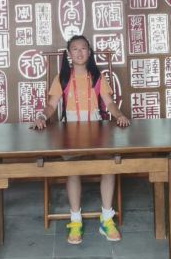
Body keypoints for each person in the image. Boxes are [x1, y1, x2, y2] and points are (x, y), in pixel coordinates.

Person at [33, 35, 131, 245]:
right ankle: (75, 220)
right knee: (73, 170)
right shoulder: (62, 78)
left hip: (97, 131)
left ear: (89, 52)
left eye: (83, 48)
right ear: (69, 54)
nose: (79, 52)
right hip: (70, 133)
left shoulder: (97, 77)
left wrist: (119, 115)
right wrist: (42, 116)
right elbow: (51, 105)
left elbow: (109, 103)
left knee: (109, 167)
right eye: (75, 49)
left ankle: (107, 219)